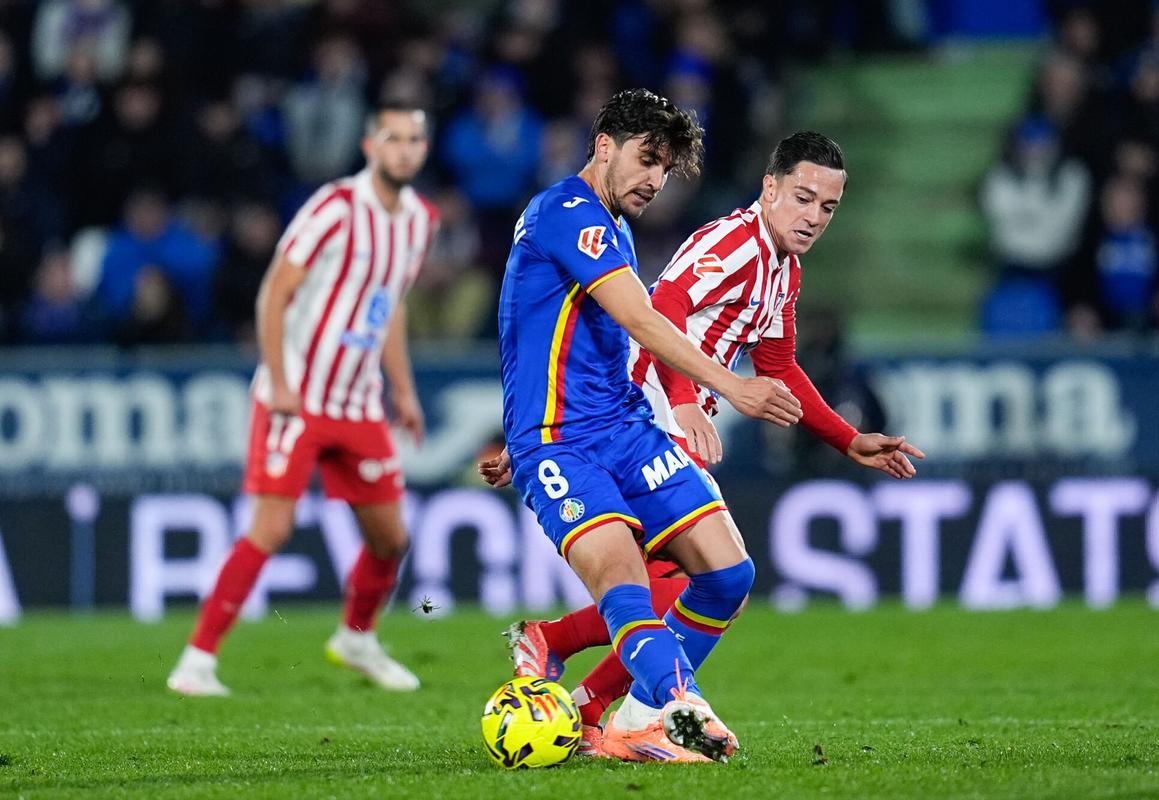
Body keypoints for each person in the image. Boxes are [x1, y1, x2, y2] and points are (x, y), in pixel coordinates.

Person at [483, 130, 925, 757]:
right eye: (802, 199)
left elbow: (780, 366)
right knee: (671, 585)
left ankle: (586, 684)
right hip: (651, 414)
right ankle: (623, 702)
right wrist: (689, 400)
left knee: (711, 583)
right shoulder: (734, 244)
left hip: (652, 419)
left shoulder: (782, 269)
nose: (813, 218)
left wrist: (847, 439)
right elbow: (659, 305)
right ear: (769, 188)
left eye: (827, 208)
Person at [482, 88, 803, 764]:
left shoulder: (614, 227)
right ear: (604, 146)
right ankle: (678, 703)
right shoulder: (565, 213)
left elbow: (570, 338)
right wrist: (730, 384)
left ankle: (624, 721)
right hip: (562, 444)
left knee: (727, 574)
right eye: (646, 159)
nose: (655, 180)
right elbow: (643, 320)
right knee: (623, 577)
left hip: (624, 428)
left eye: (665, 168)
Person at [167, 102, 438, 697]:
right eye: (394, 138)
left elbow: (387, 307)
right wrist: (281, 381)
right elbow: (274, 292)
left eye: (415, 139)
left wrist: (404, 389)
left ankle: (356, 638)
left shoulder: (419, 220)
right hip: (298, 398)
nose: (405, 149)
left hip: (359, 403)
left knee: (391, 538)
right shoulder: (335, 208)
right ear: (370, 145)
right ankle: (196, 660)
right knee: (271, 528)